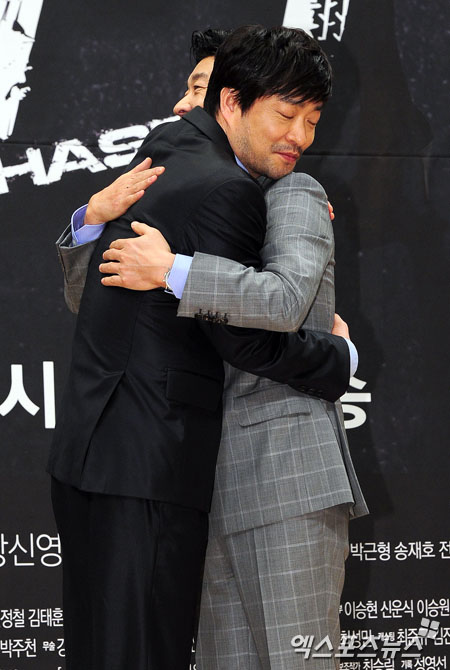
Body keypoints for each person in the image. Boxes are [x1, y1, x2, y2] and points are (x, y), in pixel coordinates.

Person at [50, 26, 366, 670]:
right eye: (287, 116)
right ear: (230, 102)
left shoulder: (291, 192)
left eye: (311, 121)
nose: (300, 136)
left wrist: (172, 270)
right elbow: (102, 297)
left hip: (279, 476)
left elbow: (278, 307)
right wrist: (90, 219)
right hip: (195, 471)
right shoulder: (186, 171)